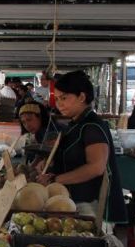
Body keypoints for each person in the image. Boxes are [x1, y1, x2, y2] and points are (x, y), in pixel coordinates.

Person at [37, 70, 127, 223]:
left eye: (64, 98)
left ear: (82, 97)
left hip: (92, 205)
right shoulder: (75, 124)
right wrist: (50, 163)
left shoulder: (92, 126)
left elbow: (96, 167)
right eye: (57, 99)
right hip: (76, 201)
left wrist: (56, 179)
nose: (59, 104)